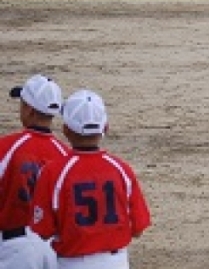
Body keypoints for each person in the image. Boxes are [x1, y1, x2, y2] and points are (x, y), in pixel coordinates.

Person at [31, 89, 151, 269]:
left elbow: (43, 230)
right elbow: (138, 228)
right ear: (105, 128)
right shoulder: (121, 169)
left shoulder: (54, 171)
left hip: (73, 263)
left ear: (66, 129)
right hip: (116, 262)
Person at [1, 74, 67, 269]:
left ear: (29, 110)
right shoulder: (65, 154)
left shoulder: (7, 147)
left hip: (15, 249)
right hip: (54, 248)